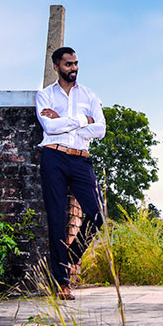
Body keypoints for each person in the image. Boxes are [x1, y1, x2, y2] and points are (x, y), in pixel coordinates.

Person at [35, 46, 107, 300]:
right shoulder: (44, 96)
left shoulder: (89, 95)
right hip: (53, 156)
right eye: (68, 64)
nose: (73, 69)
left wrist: (65, 119)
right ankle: (61, 283)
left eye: (76, 64)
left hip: (80, 160)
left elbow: (100, 130)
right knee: (56, 218)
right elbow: (49, 127)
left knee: (98, 214)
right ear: (56, 66)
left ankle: (69, 259)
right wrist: (80, 120)